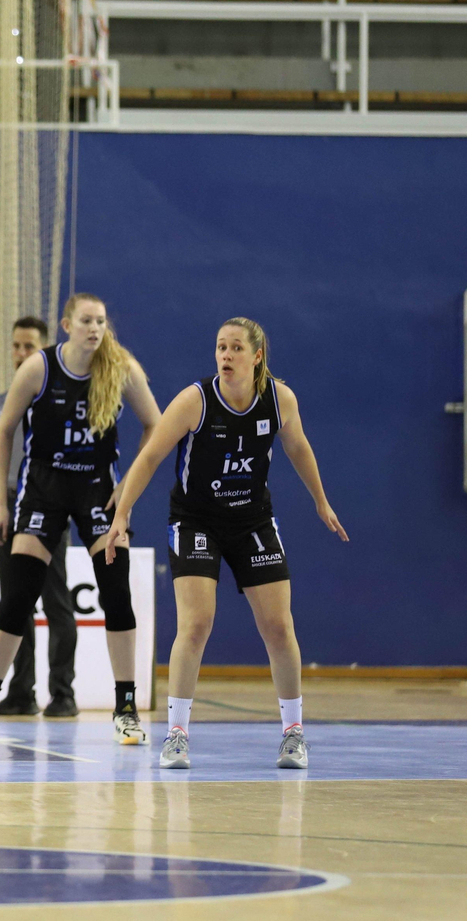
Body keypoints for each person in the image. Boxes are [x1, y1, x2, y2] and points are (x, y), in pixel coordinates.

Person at [103, 317, 348, 770]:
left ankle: (293, 735)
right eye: (220, 347)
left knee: (278, 626)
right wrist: (121, 515)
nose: (226, 356)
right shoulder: (195, 400)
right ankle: (176, 735)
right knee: (196, 624)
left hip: (252, 519)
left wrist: (321, 501)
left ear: (257, 356)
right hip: (196, 520)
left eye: (236, 348)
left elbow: (298, 448)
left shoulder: (280, 398)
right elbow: (151, 454)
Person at [0, 293, 161, 747]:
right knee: (18, 597)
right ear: (67, 325)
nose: (95, 328)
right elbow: (4, 431)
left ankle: (125, 708)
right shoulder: (39, 368)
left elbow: (156, 426)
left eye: (101, 321)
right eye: (87, 320)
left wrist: (125, 495)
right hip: (44, 488)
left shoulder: (120, 367)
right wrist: (3, 508)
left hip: (95, 488)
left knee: (115, 590)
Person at [0, 316, 77, 718]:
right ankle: (21, 691)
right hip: (9, 507)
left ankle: (63, 693)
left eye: (29, 347)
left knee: (56, 601)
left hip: (47, 505)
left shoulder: (59, 396)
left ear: (45, 350)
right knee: (16, 603)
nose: (20, 354)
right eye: (15, 346)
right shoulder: (2, 401)